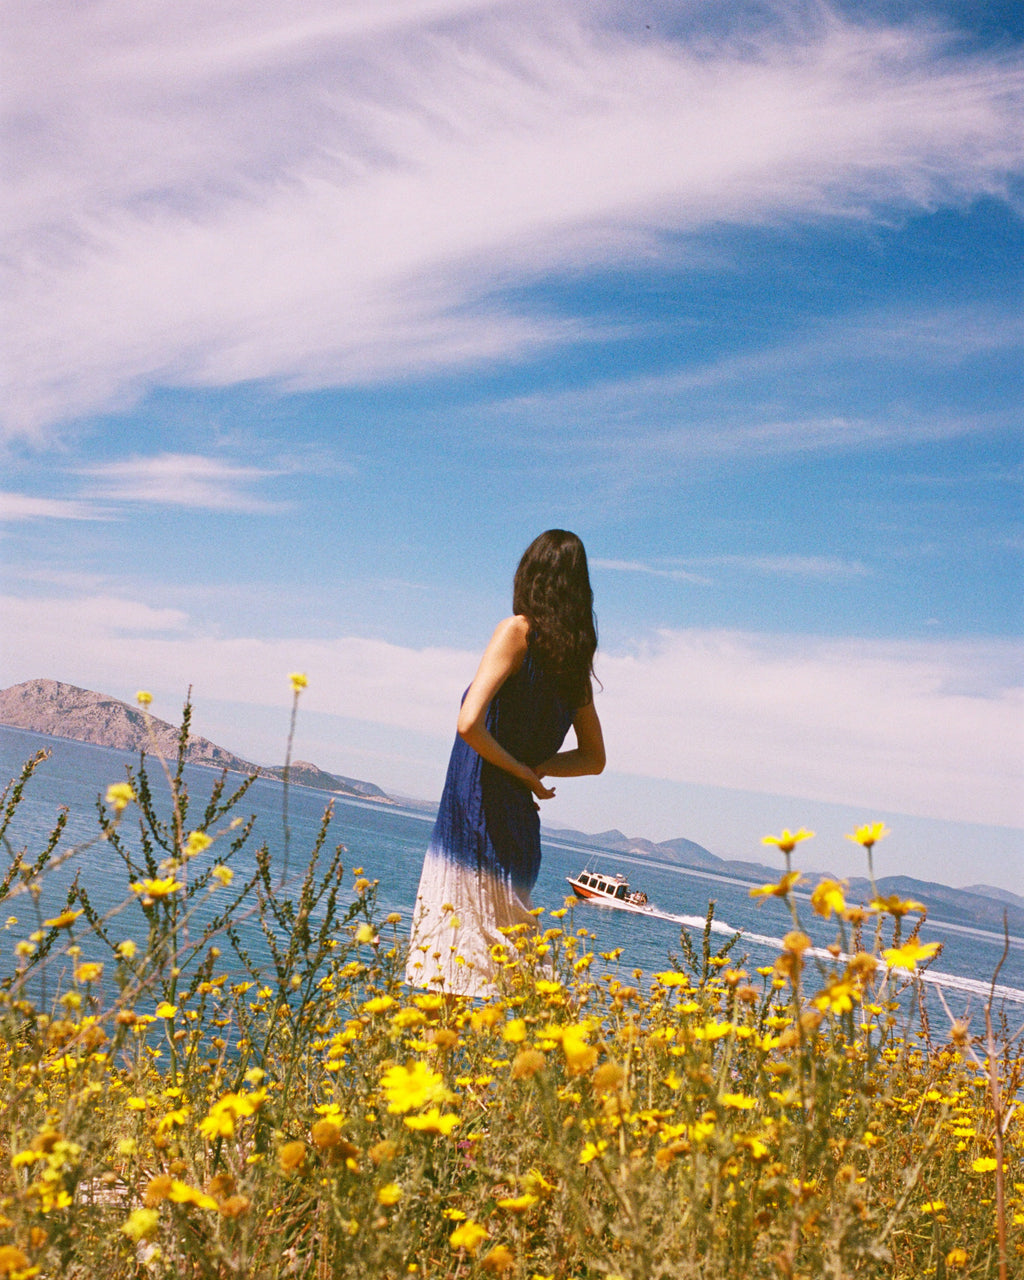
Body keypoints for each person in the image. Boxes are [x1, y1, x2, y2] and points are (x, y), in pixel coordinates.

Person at [405, 530, 605, 998]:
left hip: (473, 823)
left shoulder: (516, 631)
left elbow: (469, 723)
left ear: (529, 576)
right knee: (498, 976)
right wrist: (537, 766)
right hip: (517, 832)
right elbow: (593, 759)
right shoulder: (572, 665)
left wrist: (519, 769)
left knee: (449, 978)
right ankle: (565, 1051)